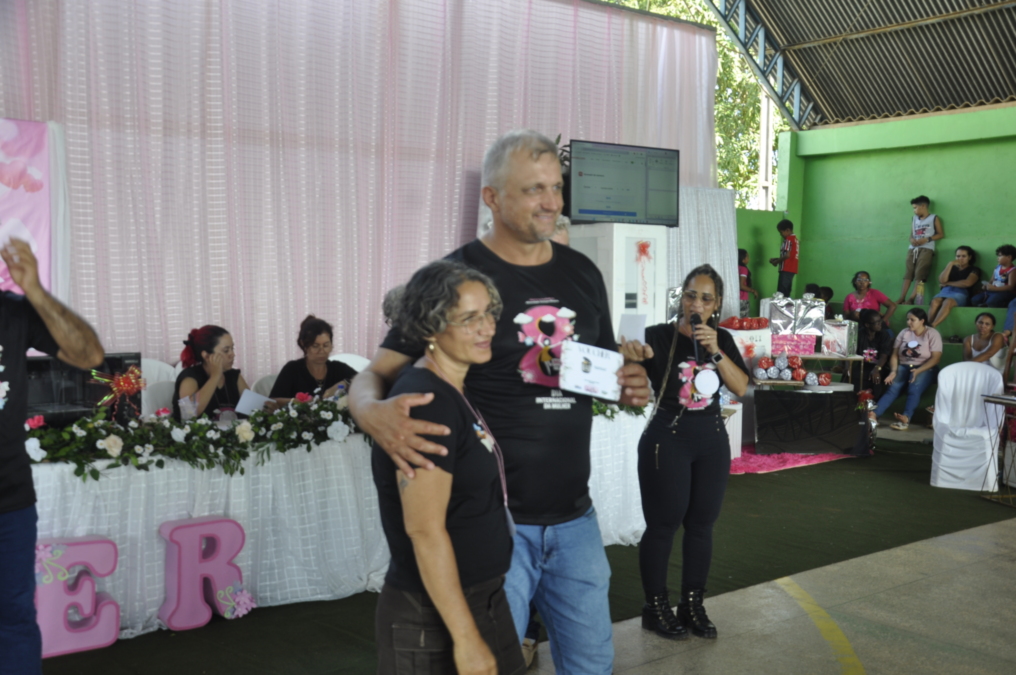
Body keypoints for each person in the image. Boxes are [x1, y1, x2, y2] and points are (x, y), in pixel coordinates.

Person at [350, 129, 651, 675]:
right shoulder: (453, 282)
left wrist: (628, 385)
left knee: (592, 666)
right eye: (534, 189)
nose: (552, 202)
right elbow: (374, 375)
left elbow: (601, 371)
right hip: (494, 527)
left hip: (575, 517)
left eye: (556, 188)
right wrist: (370, 413)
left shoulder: (582, 273)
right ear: (491, 197)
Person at [372, 260, 523, 675]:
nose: (487, 328)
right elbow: (424, 530)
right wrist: (466, 639)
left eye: (489, 313)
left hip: (479, 599)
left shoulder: (448, 386)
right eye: (469, 318)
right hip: (434, 615)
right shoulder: (427, 402)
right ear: (430, 328)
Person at [619, 265, 748, 641]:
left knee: (702, 526)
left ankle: (692, 604)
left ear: (716, 303)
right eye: (691, 295)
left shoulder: (722, 338)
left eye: (706, 298)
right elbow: (624, 378)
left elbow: (741, 387)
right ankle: (654, 607)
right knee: (663, 525)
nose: (697, 304)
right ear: (682, 297)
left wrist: (715, 351)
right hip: (668, 439)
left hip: (711, 441)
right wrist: (626, 354)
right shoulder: (656, 335)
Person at [0, 237, 104, 673]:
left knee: (14, 618)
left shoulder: (13, 311)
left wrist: (35, 291)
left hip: (10, 502)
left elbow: (89, 354)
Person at [870, 308, 943, 431]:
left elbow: (936, 358)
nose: (909, 322)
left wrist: (918, 371)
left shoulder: (932, 333)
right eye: (908, 319)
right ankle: (874, 415)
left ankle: (906, 417)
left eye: (912, 320)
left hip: (926, 367)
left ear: (922, 321)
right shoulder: (904, 332)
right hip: (905, 366)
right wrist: (893, 371)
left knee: (914, 386)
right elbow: (894, 355)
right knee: (893, 387)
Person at [172, 325, 254, 422]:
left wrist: (266, 407)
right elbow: (189, 414)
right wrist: (215, 376)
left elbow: (254, 408)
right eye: (226, 350)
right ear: (206, 355)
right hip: (197, 431)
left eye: (232, 348)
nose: (232, 354)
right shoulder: (190, 377)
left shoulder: (233, 375)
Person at [269, 315, 357, 403]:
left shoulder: (338, 368)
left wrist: (345, 383)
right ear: (303, 344)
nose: (322, 351)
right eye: (315, 346)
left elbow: (364, 380)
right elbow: (271, 401)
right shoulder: (292, 369)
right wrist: (297, 402)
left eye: (326, 345)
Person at [897, 196, 944, 304]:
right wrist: (911, 240)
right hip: (913, 249)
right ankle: (902, 298)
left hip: (926, 249)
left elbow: (940, 234)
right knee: (908, 274)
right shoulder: (914, 219)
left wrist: (927, 239)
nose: (914, 210)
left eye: (915, 208)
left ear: (923, 206)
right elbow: (911, 235)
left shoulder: (934, 218)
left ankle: (913, 299)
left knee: (921, 276)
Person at [927, 246, 980, 327]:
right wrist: (950, 264)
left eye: (964, 256)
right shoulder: (951, 267)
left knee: (948, 301)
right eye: (958, 256)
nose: (960, 258)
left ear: (969, 257)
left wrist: (948, 283)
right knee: (935, 301)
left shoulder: (974, 269)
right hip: (945, 291)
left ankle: (933, 325)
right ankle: (927, 326)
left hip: (961, 293)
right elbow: (942, 280)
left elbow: (967, 283)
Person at [848, 309, 893, 398]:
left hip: (880, 366)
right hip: (862, 365)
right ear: (867, 325)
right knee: (850, 375)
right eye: (876, 323)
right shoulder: (859, 334)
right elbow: (850, 352)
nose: (880, 324)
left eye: (880, 321)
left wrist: (876, 369)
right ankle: (854, 401)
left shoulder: (884, 334)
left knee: (876, 378)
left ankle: (873, 402)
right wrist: (848, 367)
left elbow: (884, 356)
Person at [768, 220, 798, 297]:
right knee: (786, 292)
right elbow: (790, 256)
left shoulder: (788, 239)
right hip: (792, 269)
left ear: (787, 230)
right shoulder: (795, 240)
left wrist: (776, 262)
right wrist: (777, 259)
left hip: (786, 269)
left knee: (781, 293)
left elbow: (787, 255)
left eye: (781, 232)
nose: (780, 234)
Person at [737, 248, 758, 317]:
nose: (748, 259)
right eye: (747, 257)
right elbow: (741, 285)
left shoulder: (734, 267)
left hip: (734, 298)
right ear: (743, 259)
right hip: (742, 299)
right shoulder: (743, 269)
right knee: (744, 320)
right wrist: (753, 291)